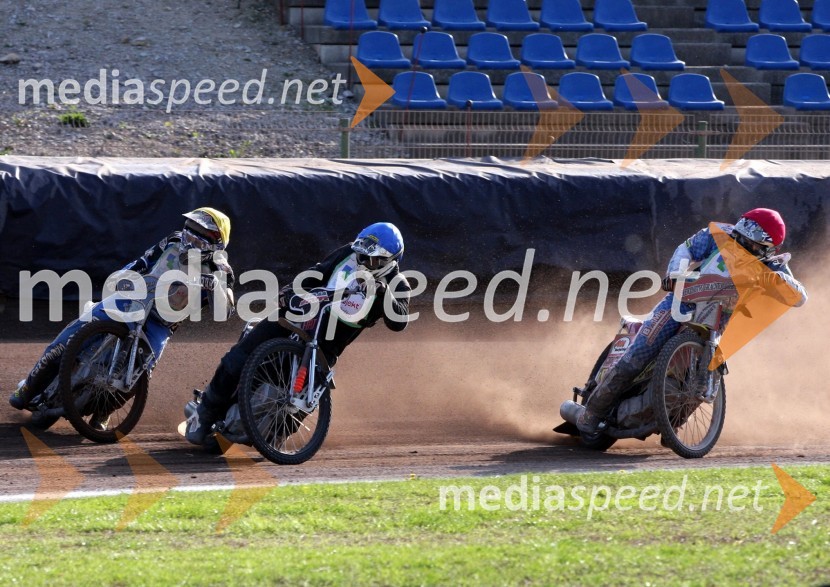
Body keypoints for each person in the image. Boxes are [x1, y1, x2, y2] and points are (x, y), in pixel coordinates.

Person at [576, 208, 808, 435]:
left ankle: (674, 424)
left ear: (767, 249)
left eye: (751, 244)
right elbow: (685, 249)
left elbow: (800, 297)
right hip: (680, 302)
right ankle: (591, 414)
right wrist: (674, 274)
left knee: (705, 374)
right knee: (638, 356)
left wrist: (778, 279)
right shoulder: (718, 235)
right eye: (740, 237)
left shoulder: (773, 264)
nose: (741, 245)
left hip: (718, 319)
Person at [185, 221, 411, 446]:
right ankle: (205, 415)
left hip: (325, 345)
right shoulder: (348, 253)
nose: (364, 261)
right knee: (237, 359)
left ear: (390, 260)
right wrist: (292, 289)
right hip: (294, 316)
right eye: (362, 255)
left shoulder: (397, 284)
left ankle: (271, 436)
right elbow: (317, 271)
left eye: (372, 259)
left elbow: (399, 321)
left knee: (300, 402)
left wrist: (385, 293)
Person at [9, 207, 236, 420]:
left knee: (141, 374)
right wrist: (122, 275)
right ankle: (28, 388)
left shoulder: (221, 270)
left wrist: (214, 285)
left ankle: (103, 414)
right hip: (132, 300)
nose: (190, 241)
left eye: (198, 239)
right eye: (189, 233)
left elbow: (226, 311)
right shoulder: (173, 241)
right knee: (69, 336)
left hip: (160, 324)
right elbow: (143, 261)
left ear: (216, 245)